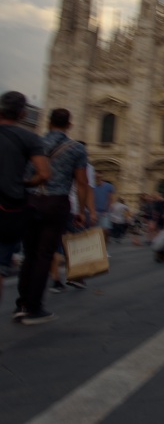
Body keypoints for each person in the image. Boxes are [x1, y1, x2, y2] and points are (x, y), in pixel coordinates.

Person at [16, 108, 90, 325]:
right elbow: (82, 183)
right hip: (56, 204)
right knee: (44, 255)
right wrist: (81, 211)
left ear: (48, 123)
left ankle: (21, 304)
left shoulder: (33, 142)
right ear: (69, 125)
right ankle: (34, 308)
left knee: (29, 254)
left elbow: (25, 174)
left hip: (31, 201)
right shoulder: (77, 148)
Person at [0, 92, 50, 310]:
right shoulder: (29, 138)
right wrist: (26, 183)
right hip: (7, 207)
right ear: (23, 114)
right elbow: (44, 174)